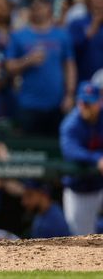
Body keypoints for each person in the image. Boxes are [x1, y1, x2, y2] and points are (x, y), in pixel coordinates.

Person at [5, 0, 76, 135]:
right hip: (29, 104)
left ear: (49, 7)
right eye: (34, 5)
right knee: (30, 149)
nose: (38, 9)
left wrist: (69, 94)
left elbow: (69, 66)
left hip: (57, 104)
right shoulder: (19, 35)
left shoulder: (62, 35)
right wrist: (27, 60)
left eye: (41, 4)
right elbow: (9, 66)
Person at [59, 81, 103, 235]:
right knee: (84, 242)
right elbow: (70, 151)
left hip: (100, 186)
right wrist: (97, 159)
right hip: (79, 192)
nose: (84, 106)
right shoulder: (71, 124)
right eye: (82, 101)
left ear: (99, 102)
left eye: (89, 102)